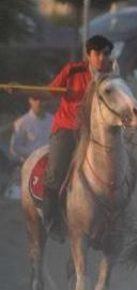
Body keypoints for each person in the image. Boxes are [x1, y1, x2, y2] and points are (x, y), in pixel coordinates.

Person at [41, 35, 114, 234]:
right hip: (67, 127)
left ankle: (116, 217)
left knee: (126, 164)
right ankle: (50, 218)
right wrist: (20, 92)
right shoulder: (73, 70)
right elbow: (49, 92)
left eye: (106, 54)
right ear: (88, 54)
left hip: (96, 132)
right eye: (97, 53)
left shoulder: (112, 77)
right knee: (56, 171)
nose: (101, 58)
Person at [10, 96, 53, 163]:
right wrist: (36, 154)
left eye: (42, 99)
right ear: (30, 101)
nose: (39, 102)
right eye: (35, 99)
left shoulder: (53, 120)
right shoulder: (22, 122)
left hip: (51, 163)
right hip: (31, 165)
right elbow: (15, 148)